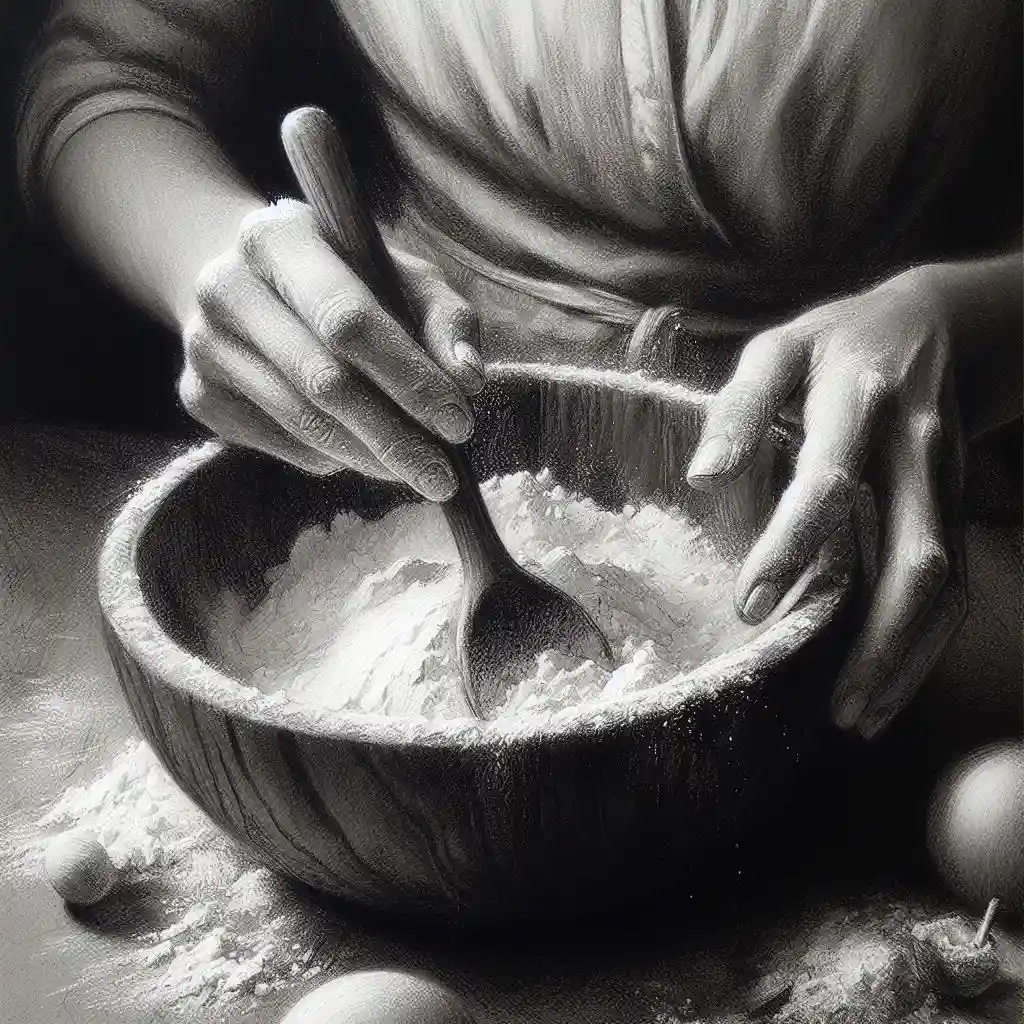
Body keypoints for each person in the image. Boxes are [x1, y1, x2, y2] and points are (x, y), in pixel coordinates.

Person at [17, 0, 1022, 744]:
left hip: (936, 521)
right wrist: (220, 257)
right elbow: (107, 81)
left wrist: (978, 321)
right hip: (428, 444)